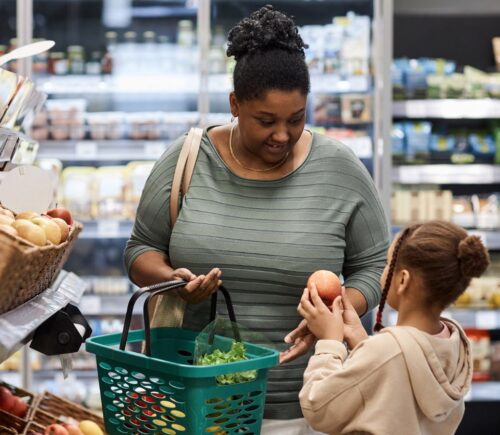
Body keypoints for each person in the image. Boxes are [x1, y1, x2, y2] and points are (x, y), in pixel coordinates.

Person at [124, 4, 389, 432]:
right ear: (234, 103)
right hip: (195, 405)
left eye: (296, 119)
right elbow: (139, 250)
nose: (282, 135)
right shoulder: (188, 159)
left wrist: (339, 311)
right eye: (266, 121)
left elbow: (376, 266)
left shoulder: (339, 168)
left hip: (309, 409)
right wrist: (175, 278)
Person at [298, 220, 490, 435]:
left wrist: (329, 343)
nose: (384, 269)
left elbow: (319, 408)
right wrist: (363, 344)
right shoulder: (455, 345)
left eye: (389, 264)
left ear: (402, 280)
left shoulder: (385, 351)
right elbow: (401, 378)